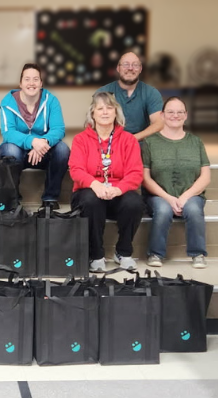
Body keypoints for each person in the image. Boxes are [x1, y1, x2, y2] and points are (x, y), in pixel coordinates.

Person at [68, 91, 145, 272]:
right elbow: (76, 170)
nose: (104, 112)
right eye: (99, 108)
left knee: (135, 202)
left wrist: (118, 189)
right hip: (89, 192)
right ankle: (96, 255)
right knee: (90, 200)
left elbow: (135, 173)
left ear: (116, 113)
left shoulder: (128, 140)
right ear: (92, 114)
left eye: (109, 108)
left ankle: (123, 252)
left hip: (116, 193)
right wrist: (95, 184)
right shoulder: (81, 140)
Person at [141, 97, 211, 269]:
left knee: (194, 209)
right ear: (162, 116)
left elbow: (205, 176)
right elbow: (145, 178)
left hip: (191, 194)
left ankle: (198, 253)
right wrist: (169, 198)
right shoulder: (149, 143)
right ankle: (156, 254)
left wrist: (186, 196)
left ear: (186, 115)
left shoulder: (196, 142)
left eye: (180, 112)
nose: (175, 115)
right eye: (170, 112)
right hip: (158, 195)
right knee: (164, 210)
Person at [0, 63, 70, 210]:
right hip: (18, 153)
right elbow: (8, 132)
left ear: (41, 83)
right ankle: (13, 198)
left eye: (36, 79)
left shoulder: (51, 100)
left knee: (62, 149)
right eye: (27, 79)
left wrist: (41, 142)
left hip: (43, 151)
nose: (31, 83)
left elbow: (59, 129)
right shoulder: (8, 103)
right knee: (10, 151)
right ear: (20, 83)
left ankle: (50, 198)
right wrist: (32, 142)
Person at [95, 52, 164, 140]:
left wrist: (132, 139)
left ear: (140, 69)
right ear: (118, 68)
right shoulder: (103, 92)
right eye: (125, 64)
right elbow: (94, 123)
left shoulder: (151, 93)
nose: (130, 68)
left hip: (140, 142)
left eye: (135, 65)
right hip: (110, 142)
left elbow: (159, 123)